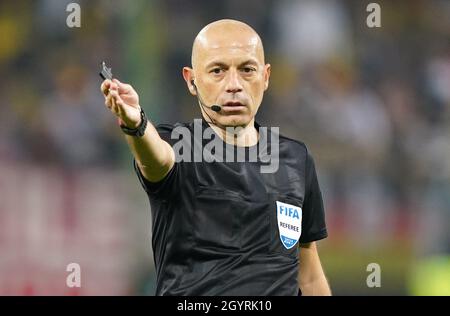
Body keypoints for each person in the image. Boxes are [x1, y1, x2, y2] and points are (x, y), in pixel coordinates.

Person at [100, 19, 331, 296]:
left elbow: (309, 277)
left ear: (266, 77)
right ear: (192, 80)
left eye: (247, 70)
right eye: (218, 71)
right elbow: (156, 158)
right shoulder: (179, 145)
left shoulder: (295, 158)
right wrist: (136, 124)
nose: (234, 85)